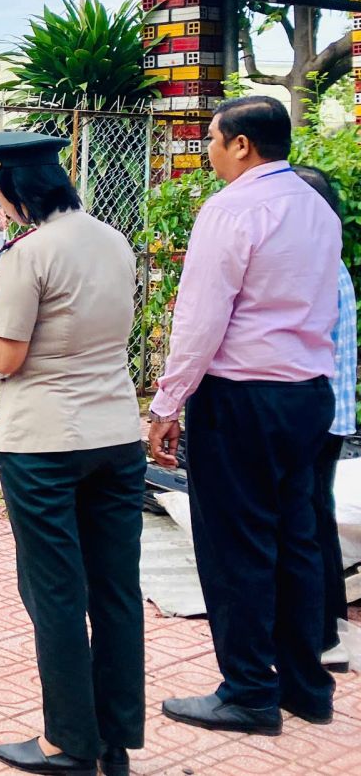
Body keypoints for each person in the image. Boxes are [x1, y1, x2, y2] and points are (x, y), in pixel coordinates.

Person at [0, 130, 142, 776]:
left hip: (45, 444)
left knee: (56, 592)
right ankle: (114, 739)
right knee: (115, 591)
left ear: (16, 192)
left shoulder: (29, 253)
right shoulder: (113, 240)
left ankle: (69, 742)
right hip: (116, 437)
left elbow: (6, 357)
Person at [147, 96, 340, 736]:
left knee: (237, 544)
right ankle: (306, 686)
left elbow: (200, 320)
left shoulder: (231, 209)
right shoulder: (316, 206)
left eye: (211, 138)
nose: (206, 149)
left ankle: (250, 691)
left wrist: (167, 403)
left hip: (242, 397)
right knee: (298, 539)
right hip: (307, 392)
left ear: (241, 145)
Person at [291, 166, 355, 674]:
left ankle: (322, 634)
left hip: (314, 412)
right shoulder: (331, 263)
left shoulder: (315, 269)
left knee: (304, 523)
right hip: (330, 413)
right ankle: (328, 621)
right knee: (316, 516)